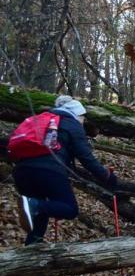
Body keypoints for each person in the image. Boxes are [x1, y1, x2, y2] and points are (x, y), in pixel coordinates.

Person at [14, 95, 118, 246]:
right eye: (83, 117)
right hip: (49, 171)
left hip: (22, 170)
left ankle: (33, 242)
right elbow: (86, 158)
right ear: (77, 113)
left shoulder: (42, 119)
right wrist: (107, 176)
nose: (83, 122)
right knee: (69, 209)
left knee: (41, 207)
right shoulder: (72, 124)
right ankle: (33, 206)